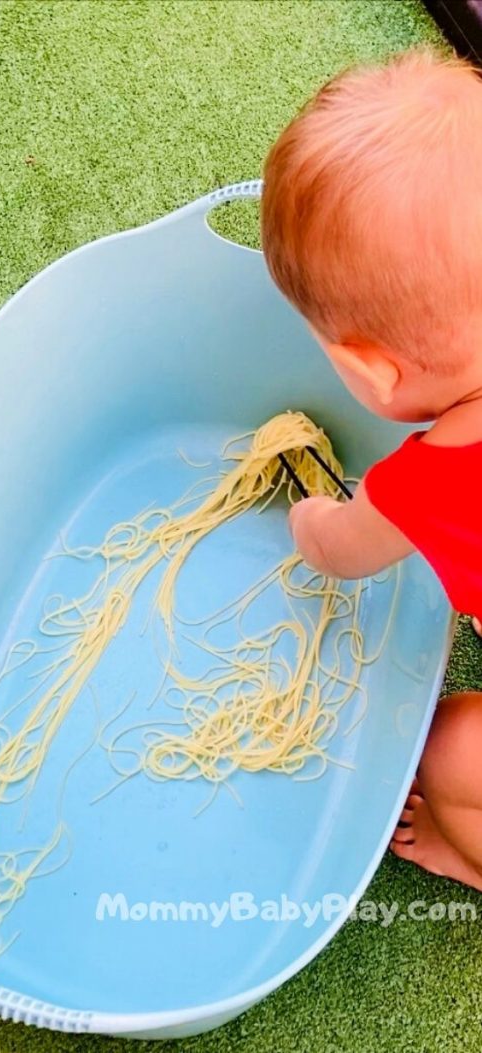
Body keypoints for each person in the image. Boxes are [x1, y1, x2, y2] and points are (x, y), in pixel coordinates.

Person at [261, 48, 482, 889]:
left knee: (449, 750)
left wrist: (306, 515)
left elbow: (336, 549)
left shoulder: (427, 483)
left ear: (374, 374)